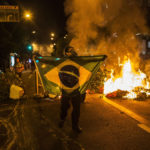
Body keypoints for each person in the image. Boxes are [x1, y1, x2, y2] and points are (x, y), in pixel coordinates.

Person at [58, 46, 85, 133]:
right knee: (64, 107)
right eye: (68, 51)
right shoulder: (61, 61)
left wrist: (101, 58)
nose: (70, 53)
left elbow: (86, 64)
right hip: (65, 90)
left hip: (75, 89)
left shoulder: (77, 60)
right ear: (65, 53)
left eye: (71, 51)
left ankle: (75, 126)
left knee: (77, 109)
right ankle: (62, 119)